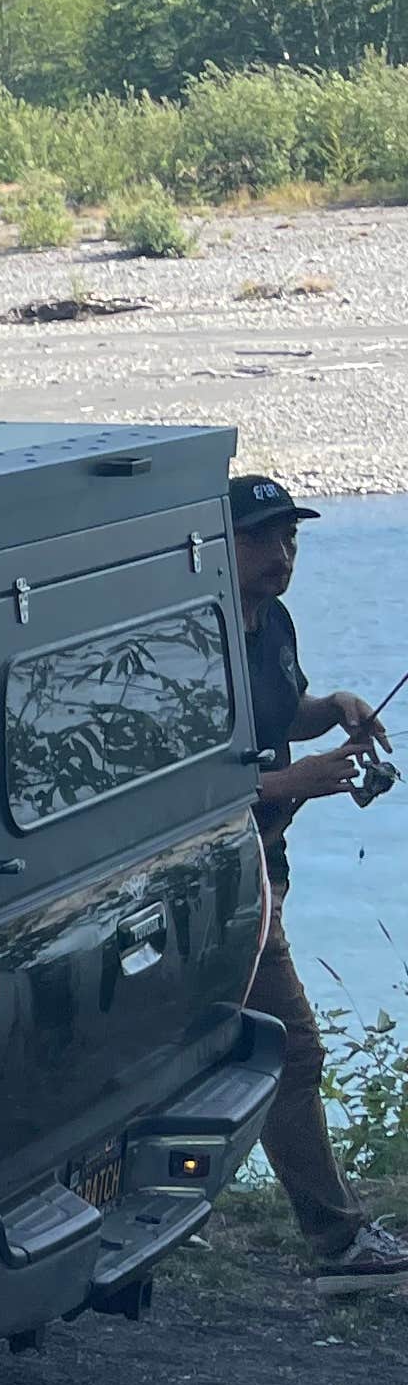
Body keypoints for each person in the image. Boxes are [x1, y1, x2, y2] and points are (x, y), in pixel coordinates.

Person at [231, 474, 406, 1277]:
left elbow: (281, 714)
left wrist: (335, 705)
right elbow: (179, 780)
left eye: (291, 538)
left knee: (222, 1051)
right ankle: (335, 1237)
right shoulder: (196, 643)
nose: (282, 554)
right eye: (263, 538)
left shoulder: (277, 626)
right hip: (217, 883)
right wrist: (290, 783)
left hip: (266, 872)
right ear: (217, 547)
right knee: (292, 1050)